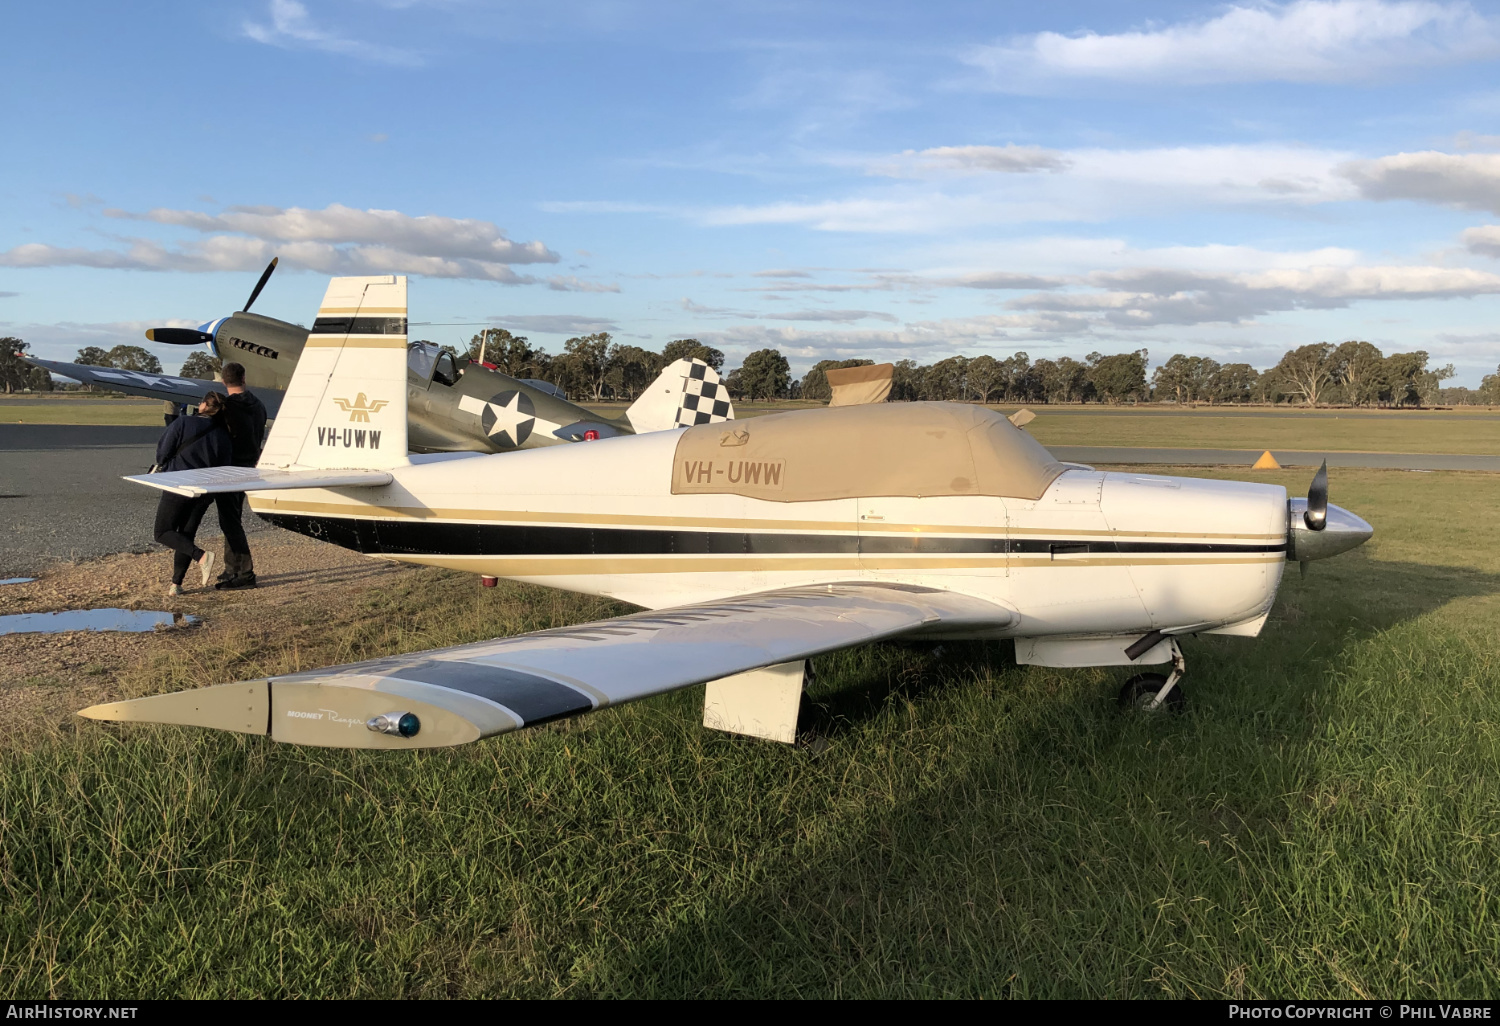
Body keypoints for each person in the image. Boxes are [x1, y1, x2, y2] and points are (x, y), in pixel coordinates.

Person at [153, 391, 233, 596]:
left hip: (179, 484)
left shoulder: (183, 423)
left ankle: (202, 556)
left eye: (201, 402)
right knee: (186, 534)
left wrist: (165, 466)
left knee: (162, 532)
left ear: (205, 406)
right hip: (205, 490)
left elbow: (162, 453)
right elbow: (224, 465)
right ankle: (176, 584)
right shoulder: (224, 433)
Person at [214, 362, 268, 590]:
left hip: (230, 467)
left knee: (230, 521)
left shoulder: (226, 407)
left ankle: (245, 573)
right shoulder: (258, 404)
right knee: (231, 518)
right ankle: (231, 567)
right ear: (244, 378)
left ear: (224, 381)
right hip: (251, 464)